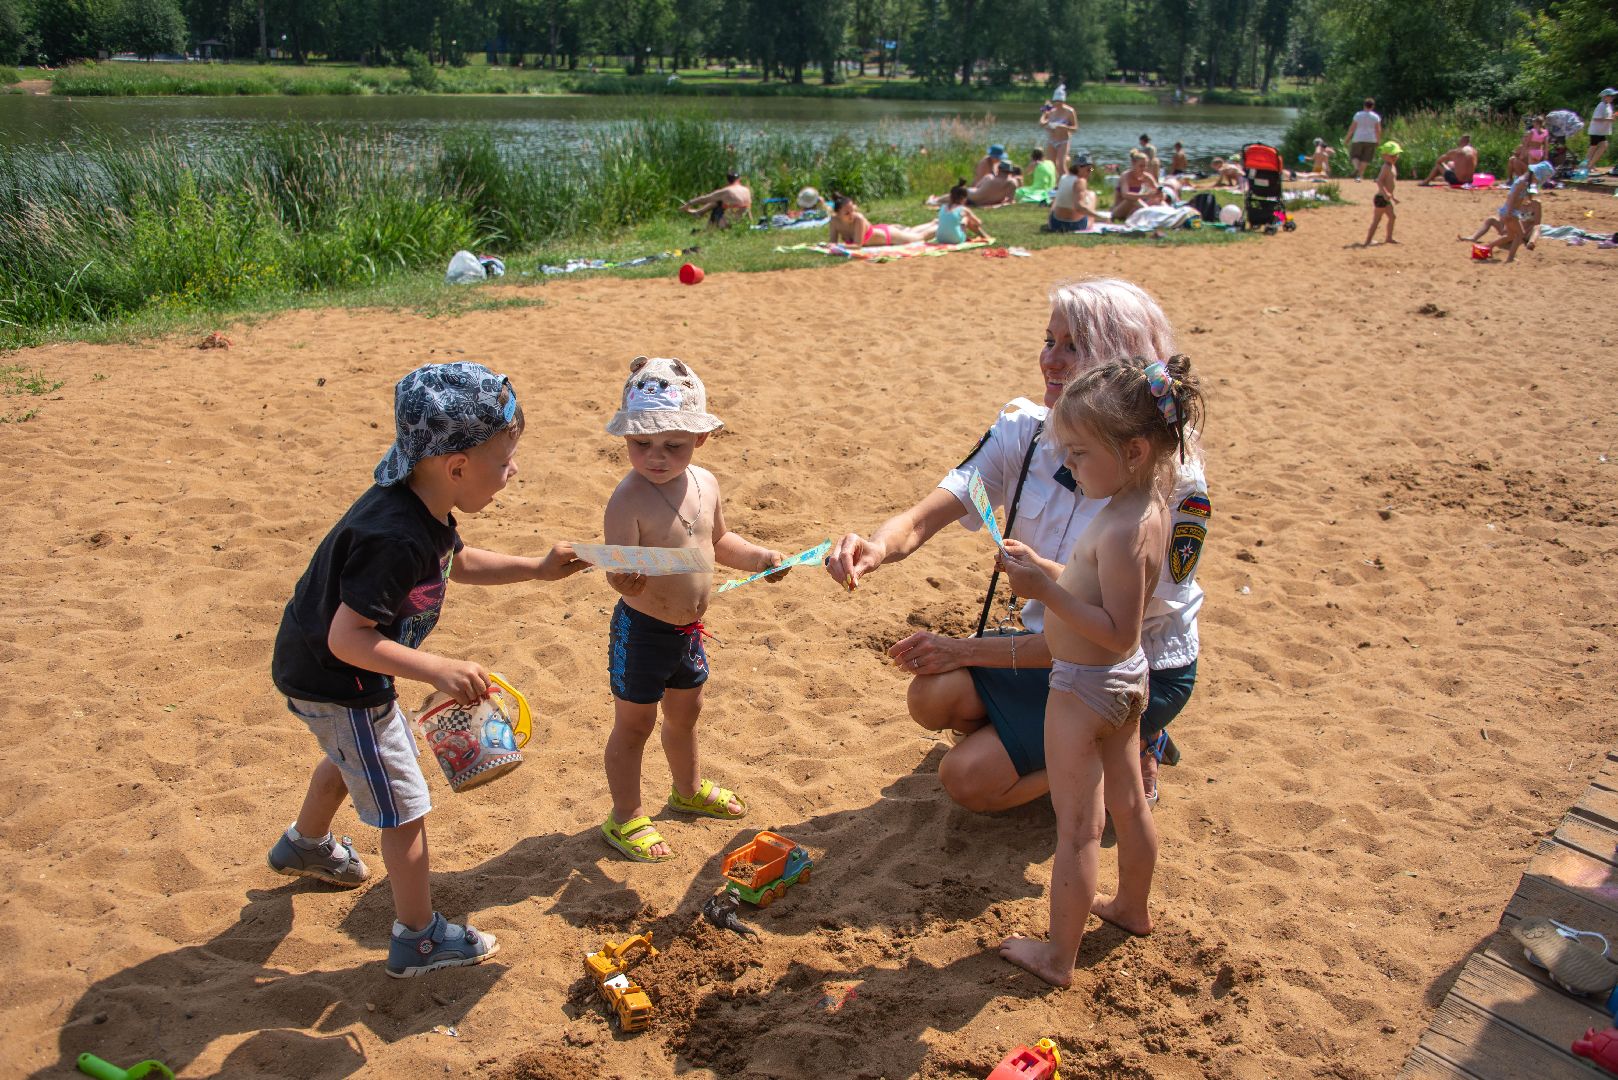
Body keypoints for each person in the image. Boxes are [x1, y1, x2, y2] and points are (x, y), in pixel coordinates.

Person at [825, 279, 1209, 813]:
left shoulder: (1173, 484)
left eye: (1073, 346)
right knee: (930, 697)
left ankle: (1118, 750)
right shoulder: (1024, 432)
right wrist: (876, 547)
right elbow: (927, 514)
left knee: (968, 780)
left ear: (1118, 364)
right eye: (1049, 340)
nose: (1050, 360)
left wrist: (962, 648)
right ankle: (1071, 746)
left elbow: (1113, 629)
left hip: (1126, 664)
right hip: (1048, 646)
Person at [267, 362, 587, 977]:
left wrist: (536, 567)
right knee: (404, 805)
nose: (512, 471)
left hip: (329, 675)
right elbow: (348, 638)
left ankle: (304, 845)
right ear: (457, 466)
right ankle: (418, 937)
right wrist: (436, 668)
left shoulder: (425, 508)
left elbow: (457, 565)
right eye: (504, 460)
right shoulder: (394, 535)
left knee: (350, 755)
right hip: (342, 678)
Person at [995, 353, 1205, 988]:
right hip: (1128, 685)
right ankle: (1132, 908)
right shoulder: (1147, 508)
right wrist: (1047, 569)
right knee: (1130, 803)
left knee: (1080, 831)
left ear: (1135, 450)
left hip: (1085, 689)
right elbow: (1112, 600)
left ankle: (1058, 956)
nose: (1070, 465)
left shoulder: (1115, 527)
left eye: (1081, 454)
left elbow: (1114, 630)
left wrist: (1046, 593)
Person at [599, 357, 787, 862]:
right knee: (634, 725)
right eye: (642, 444)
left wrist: (762, 558)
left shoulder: (705, 483)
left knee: (686, 714)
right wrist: (626, 577)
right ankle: (624, 817)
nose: (656, 457)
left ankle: (686, 788)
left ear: (699, 440)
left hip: (689, 630)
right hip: (642, 630)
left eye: (673, 445)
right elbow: (617, 570)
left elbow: (722, 541)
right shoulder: (627, 499)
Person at [827, 194, 939, 247]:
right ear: (838, 214)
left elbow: (857, 245)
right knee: (910, 231)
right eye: (847, 213)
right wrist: (833, 245)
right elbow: (833, 242)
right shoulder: (834, 221)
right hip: (880, 230)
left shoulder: (858, 219)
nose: (851, 215)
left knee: (919, 237)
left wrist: (837, 247)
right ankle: (933, 222)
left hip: (888, 236)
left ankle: (940, 226)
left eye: (852, 210)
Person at [680, 172, 752, 229]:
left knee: (718, 203)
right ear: (739, 179)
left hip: (727, 224)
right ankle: (699, 212)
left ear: (727, 180)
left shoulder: (726, 191)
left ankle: (704, 221)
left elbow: (705, 199)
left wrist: (689, 203)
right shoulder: (746, 190)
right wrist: (751, 222)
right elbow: (748, 208)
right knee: (720, 202)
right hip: (742, 223)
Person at [1362, 140, 1401, 246]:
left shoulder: (1392, 167)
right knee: (1377, 220)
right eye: (1392, 155)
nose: (1395, 157)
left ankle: (1389, 238)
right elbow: (1379, 181)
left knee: (1392, 217)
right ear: (1385, 156)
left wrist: (1393, 197)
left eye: (1396, 155)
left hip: (1386, 198)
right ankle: (1368, 241)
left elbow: (1390, 185)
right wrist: (1385, 194)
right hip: (1381, 198)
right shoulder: (1386, 167)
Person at [1046, 155, 1096, 233]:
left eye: (1092, 170)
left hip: (1054, 223)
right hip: (1074, 225)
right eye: (1089, 169)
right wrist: (1101, 217)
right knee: (1092, 195)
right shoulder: (1080, 181)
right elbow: (1079, 206)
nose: (1090, 172)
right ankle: (1090, 220)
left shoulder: (1063, 178)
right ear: (1079, 168)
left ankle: (1051, 219)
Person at [1345, 97, 1382, 181]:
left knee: (1354, 156)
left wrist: (1347, 139)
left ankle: (1357, 169)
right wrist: (1378, 140)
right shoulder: (1376, 117)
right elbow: (1378, 130)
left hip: (1358, 138)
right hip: (1371, 139)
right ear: (1373, 106)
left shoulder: (1358, 115)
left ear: (1364, 105)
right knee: (1366, 158)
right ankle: (1359, 176)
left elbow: (1352, 128)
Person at [1110, 150, 1154, 220]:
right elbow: (1125, 194)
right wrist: (1146, 195)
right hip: (1118, 211)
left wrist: (1158, 192)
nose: (1144, 169)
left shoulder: (1147, 177)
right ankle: (1148, 213)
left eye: (1145, 166)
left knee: (1157, 200)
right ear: (1133, 164)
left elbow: (1158, 191)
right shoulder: (1125, 176)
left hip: (1133, 210)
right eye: (1141, 166)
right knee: (1132, 199)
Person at [1042, 86, 1078, 169]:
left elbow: (1075, 128)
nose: (1057, 103)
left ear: (1063, 101)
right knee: (1050, 165)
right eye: (1056, 101)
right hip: (1052, 140)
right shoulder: (1051, 110)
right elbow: (1042, 122)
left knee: (1061, 166)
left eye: (1060, 101)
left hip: (1063, 141)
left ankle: (1067, 180)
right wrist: (1048, 124)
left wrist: (1065, 127)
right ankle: (1055, 181)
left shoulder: (1070, 111)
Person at [1587, 89, 1616, 175]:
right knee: (1593, 148)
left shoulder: (1608, 105)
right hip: (1596, 130)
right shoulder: (1601, 105)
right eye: (1611, 96)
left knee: (1602, 146)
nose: (1612, 98)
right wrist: (1610, 119)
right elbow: (1596, 118)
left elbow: (1607, 116)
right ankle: (1588, 165)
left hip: (1601, 131)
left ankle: (1591, 164)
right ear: (1605, 97)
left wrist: (1613, 116)